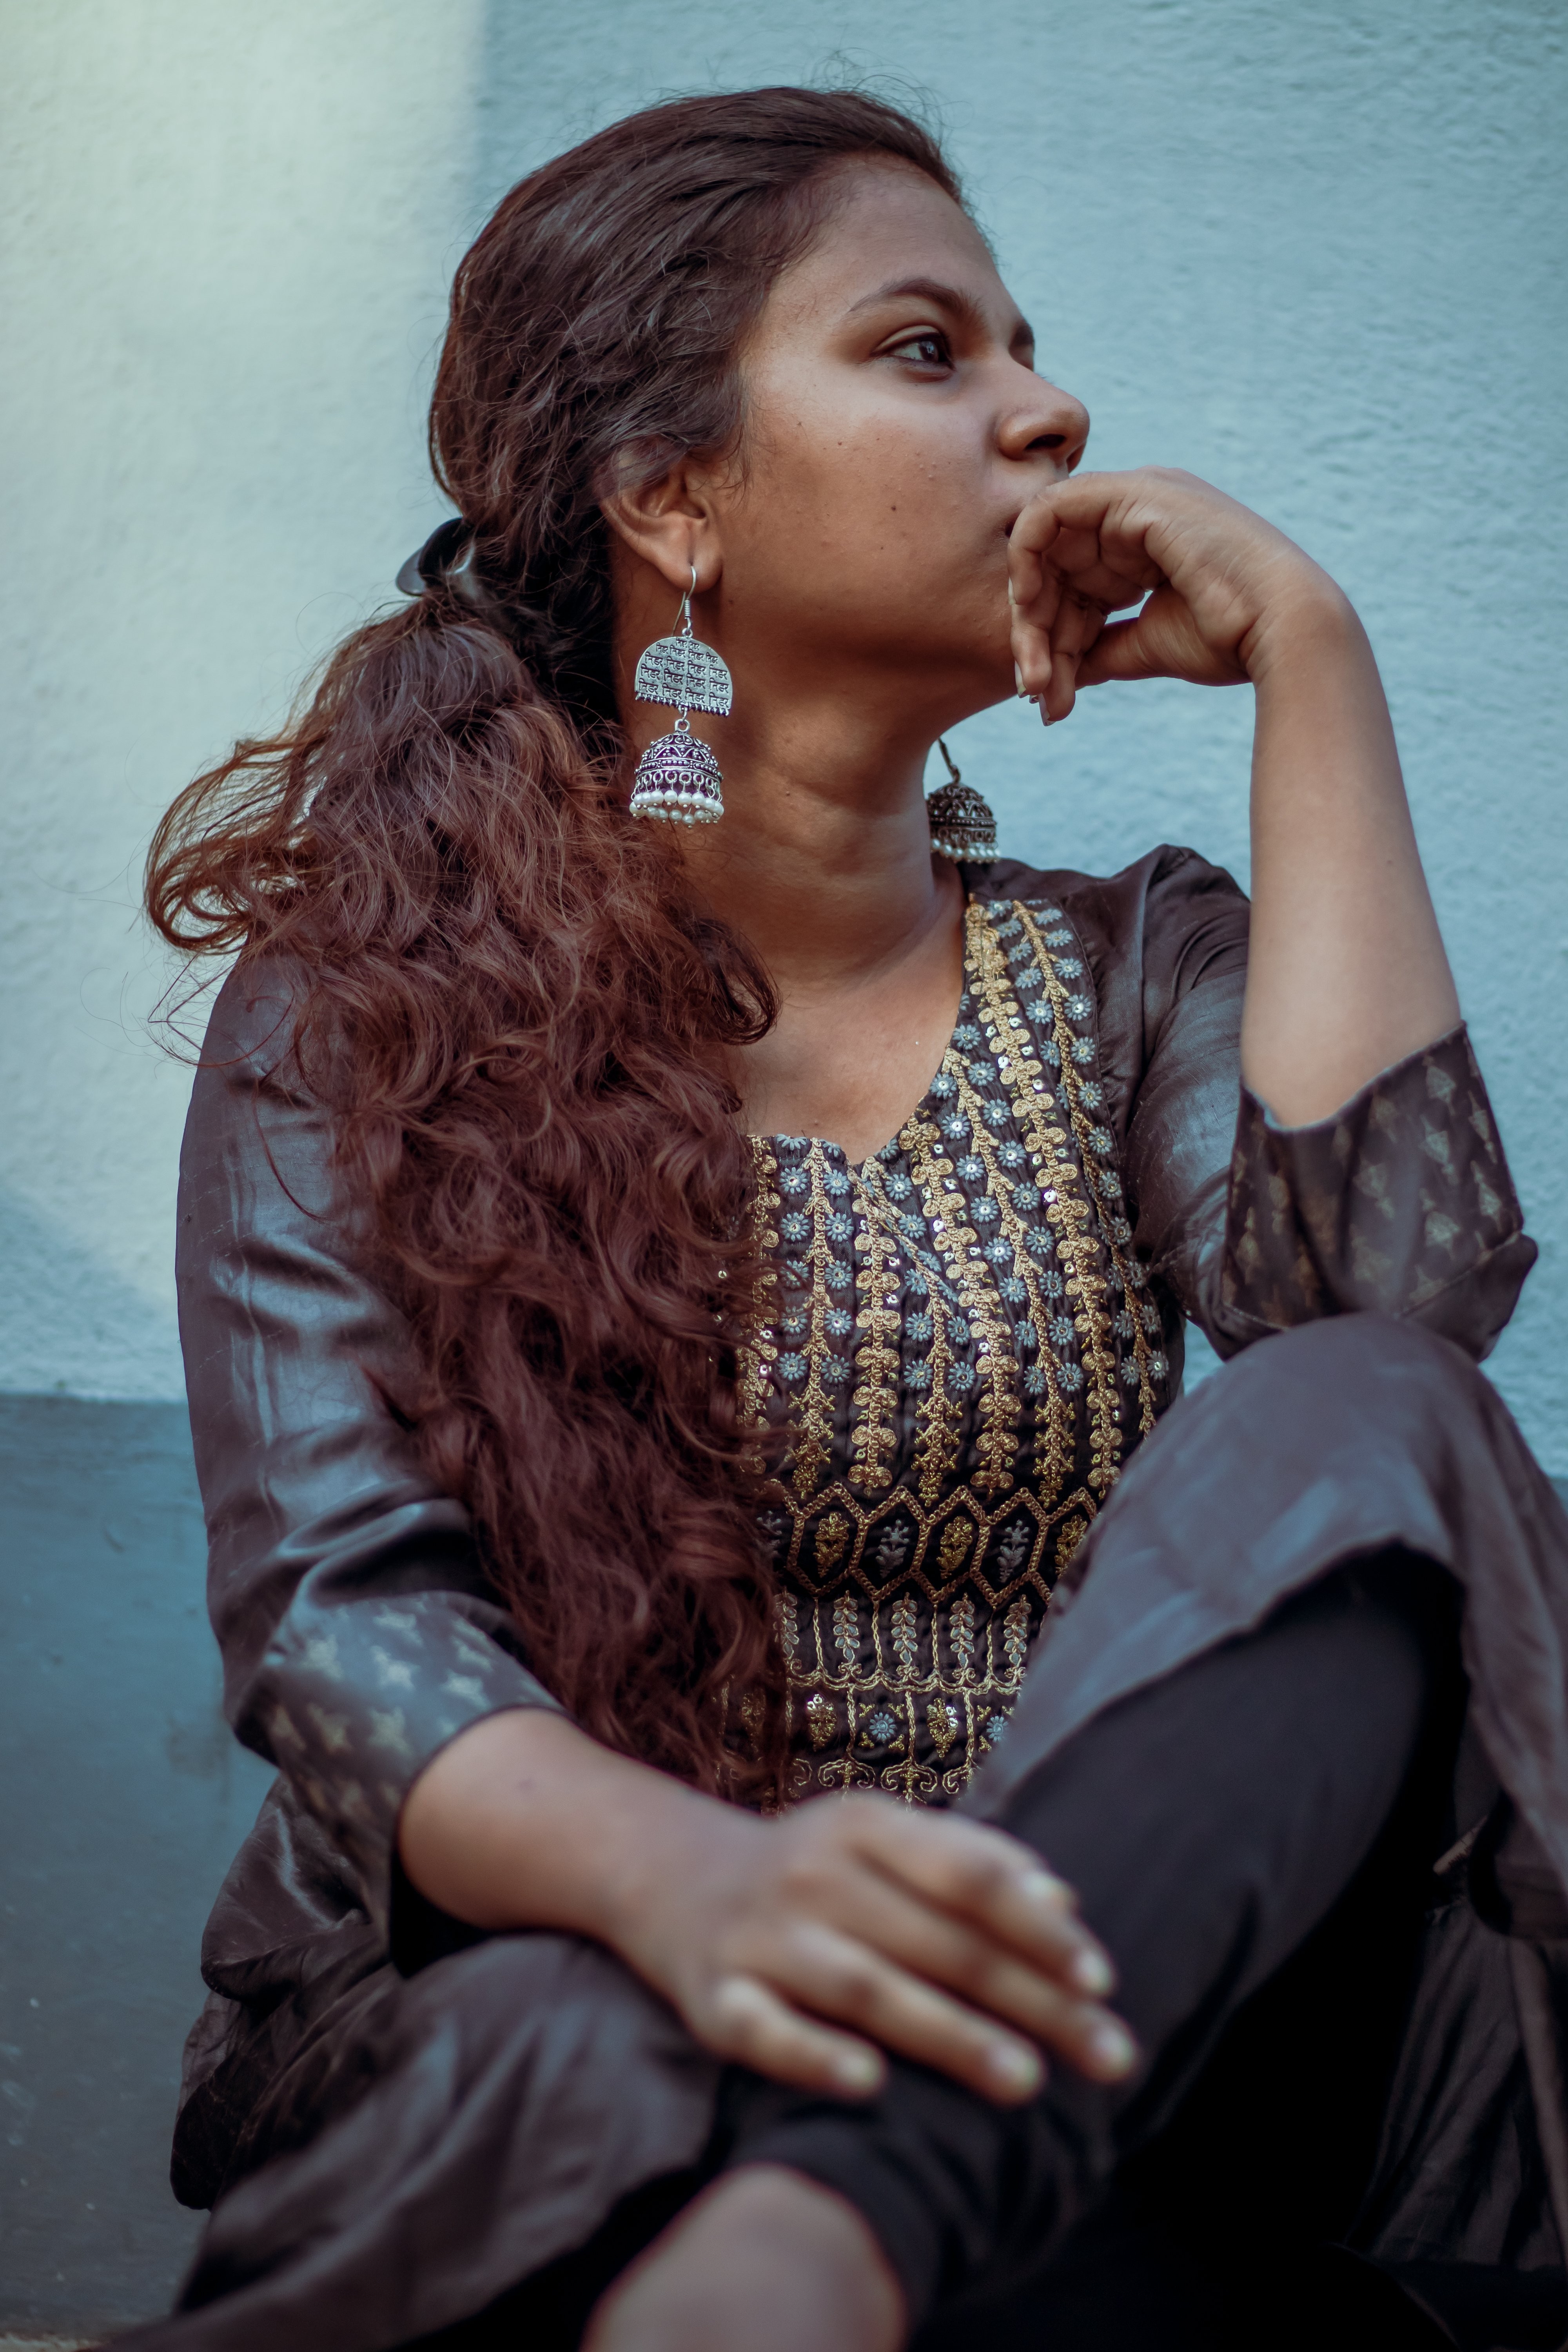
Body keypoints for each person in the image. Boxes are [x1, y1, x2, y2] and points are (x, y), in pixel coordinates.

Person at [122, 88, 1568, 2352]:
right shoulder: (367, 1022)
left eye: (1030, 352)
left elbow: (1384, 1331)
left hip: (1113, 2049)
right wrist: (717, 1891)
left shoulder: (1133, 974)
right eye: (928, 349)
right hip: (614, 2019)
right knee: (597, 2053)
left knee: (1363, 1400)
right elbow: (344, 1639)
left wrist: (1320, 656)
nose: (1050, 409)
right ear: (672, 495)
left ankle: (870, 2202)